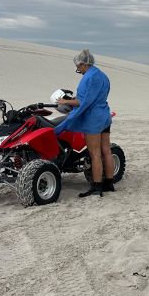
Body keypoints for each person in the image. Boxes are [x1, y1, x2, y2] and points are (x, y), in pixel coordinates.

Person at [53, 49, 115, 198]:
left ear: (83, 64)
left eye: (78, 67)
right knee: (106, 150)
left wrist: (65, 101)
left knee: (95, 153)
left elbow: (84, 101)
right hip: (105, 115)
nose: (78, 70)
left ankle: (97, 187)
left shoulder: (89, 77)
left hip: (93, 119)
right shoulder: (102, 75)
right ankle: (109, 183)